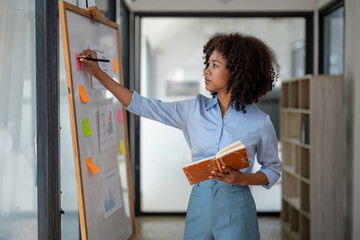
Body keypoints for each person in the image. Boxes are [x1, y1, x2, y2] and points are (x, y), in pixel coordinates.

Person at [80, 32, 282, 240]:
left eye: (215, 65)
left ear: (237, 72)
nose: (206, 71)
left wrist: (242, 178)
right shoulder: (193, 110)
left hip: (237, 205)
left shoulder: (259, 122)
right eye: (208, 64)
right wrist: (97, 73)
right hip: (199, 203)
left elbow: (273, 169)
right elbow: (141, 105)